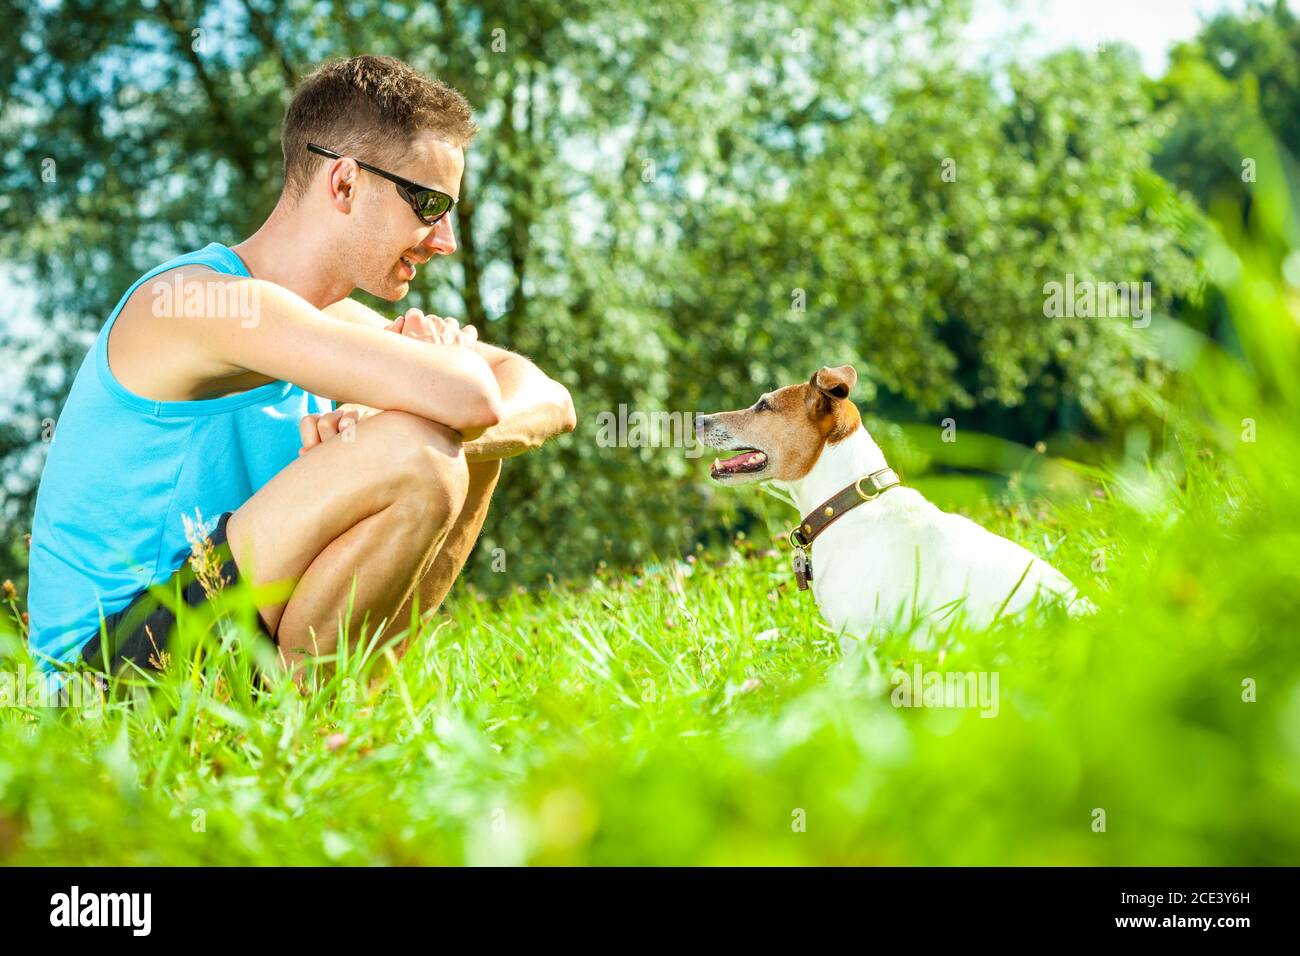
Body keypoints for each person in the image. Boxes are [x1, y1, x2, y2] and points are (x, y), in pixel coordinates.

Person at [25, 54, 575, 681]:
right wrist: (411, 407)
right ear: (344, 183)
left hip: (224, 637)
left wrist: (405, 408)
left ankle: (342, 721)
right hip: (105, 680)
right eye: (427, 203)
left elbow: (547, 397)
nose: (445, 239)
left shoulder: (327, 323)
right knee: (418, 450)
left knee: (459, 449)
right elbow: (475, 395)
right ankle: (305, 735)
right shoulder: (198, 302)